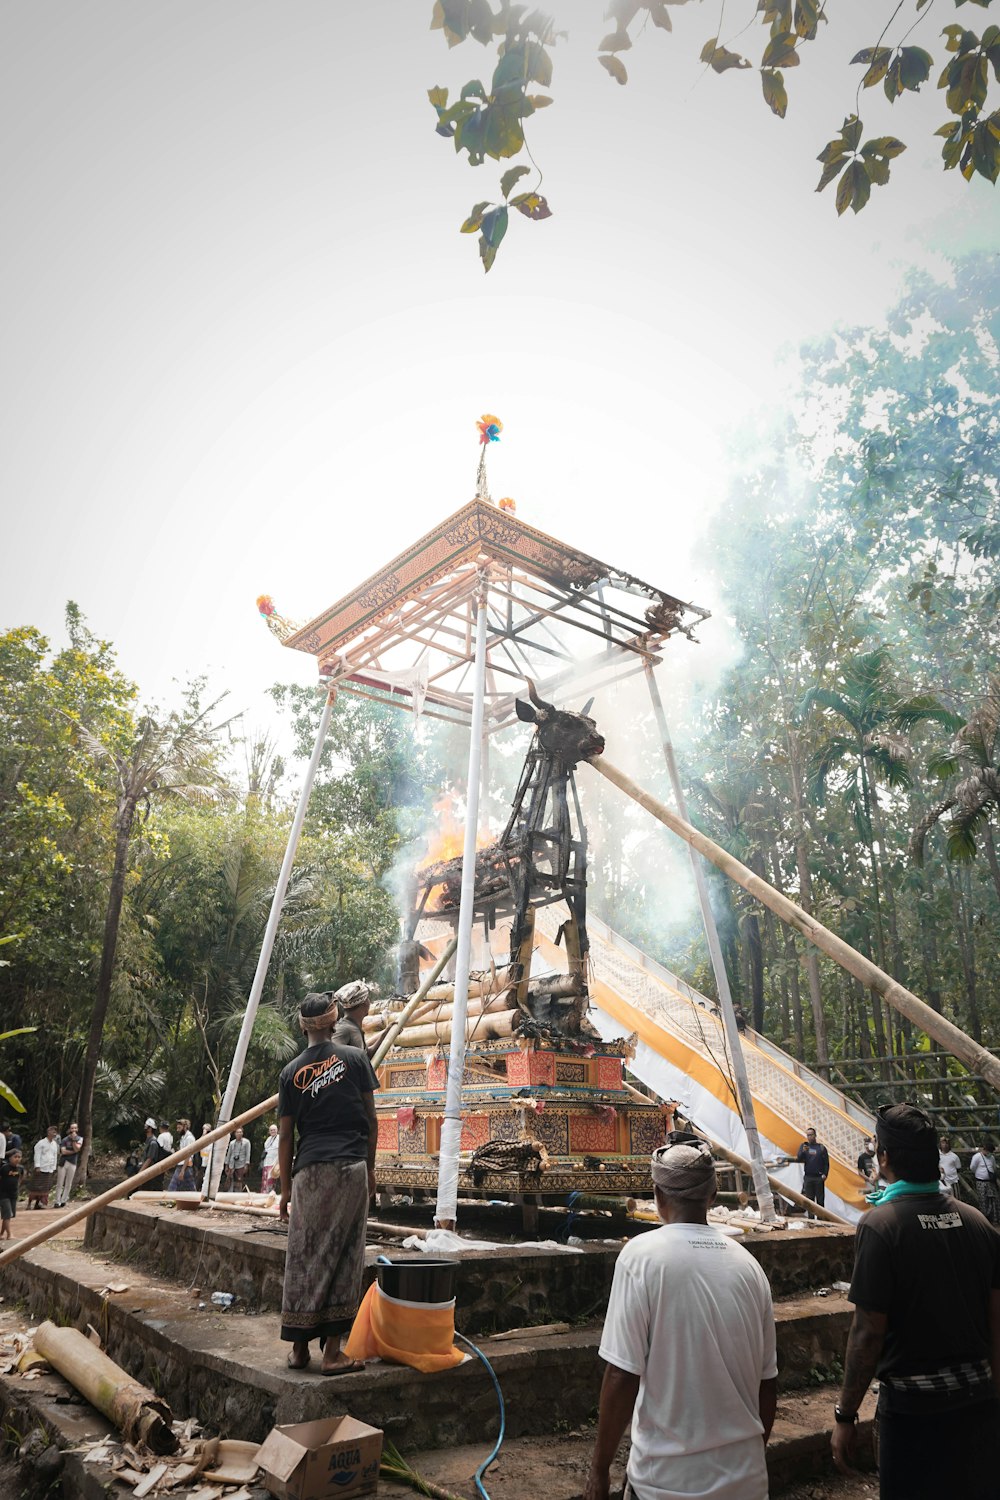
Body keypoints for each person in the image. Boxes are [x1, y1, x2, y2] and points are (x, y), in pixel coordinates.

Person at [585, 1135, 777, 1500]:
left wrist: (599, 1469)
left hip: (666, 1485)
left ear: (657, 1197)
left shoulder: (641, 1257)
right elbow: (767, 1385)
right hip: (747, 1482)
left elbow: (622, 1375)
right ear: (712, 1194)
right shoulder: (750, 1267)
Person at [831, 1103, 1000, 1499]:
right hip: (978, 1404)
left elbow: (868, 1333)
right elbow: (997, 1322)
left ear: (885, 1157)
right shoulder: (978, 1223)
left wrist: (846, 1414)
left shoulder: (881, 1226)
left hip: (913, 1412)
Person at [278, 990, 379, 1375]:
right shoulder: (355, 1059)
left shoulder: (290, 1073)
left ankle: (300, 1350)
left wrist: (286, 1191)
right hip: (350, 1166)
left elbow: (286, 1137)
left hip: (308, 1172)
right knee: (345, 1253)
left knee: (303, 1255)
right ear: (335, 1020)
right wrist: (370, 1170)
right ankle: (333, 1353)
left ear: (303, 1026)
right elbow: (371, 1121)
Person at [796, 1127, 830, 1214]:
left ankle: (821, 1220)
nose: (809, 1137)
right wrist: (803, 1151)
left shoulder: (821, 1148)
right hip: (808, 1177)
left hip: (819, 1178)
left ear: (815, 1135)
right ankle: (811, 1221)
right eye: (808, 1135)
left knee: (820, 1201)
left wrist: (825, 1174)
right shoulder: (804, 1146)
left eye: (811, 1135)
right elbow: (799, 1158)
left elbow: (826, 1163)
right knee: (809, 1201)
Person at [332, 980, 372, 1053]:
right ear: (365, 1003)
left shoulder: (354, 1027)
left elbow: (365, 1056)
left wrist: (385, 1033)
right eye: (368, 999)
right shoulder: (343, 1029)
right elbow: (332, 1054)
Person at [27, 1126, 60, 1208]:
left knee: (44, 1188)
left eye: (55, 1132)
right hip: (41, 1168)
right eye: (53, 1131)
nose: (54, 1133)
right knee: (35, 1187)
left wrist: (54, 1167)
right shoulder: (41, 1143)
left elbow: (55, 1156)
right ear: (48, 1132)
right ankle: (29, 1204)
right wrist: (37, 1166)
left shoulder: (54, 1144)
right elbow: (37, 1155)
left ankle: (38, 1204)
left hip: (49, 1168)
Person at [969, 1138, 1000, 1224]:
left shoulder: (992, 1157)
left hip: (990, 1182)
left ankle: (995, 1219)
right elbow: (972, 1168)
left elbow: (993, 1168)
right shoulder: (977, 1157)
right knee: (983, 1200)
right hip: (981, 1182)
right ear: (984, 1149)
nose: (989, 1153)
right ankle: (985, 1220)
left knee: (994, 1199)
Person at [54, 1121, 83, 1207]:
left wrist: (74, 1141)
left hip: (72, 1163)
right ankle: (57, 1201)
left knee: (68, 1182)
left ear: (77, 1129)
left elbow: (77, 1149)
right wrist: (73, 1151)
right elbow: (63, 1151)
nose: (73, 1130)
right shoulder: (64, 1139)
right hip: (63, 1162)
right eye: (72, 1128)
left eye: (75, 1128)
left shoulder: (79, 1139)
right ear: (69, 1129)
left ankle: (64, 1200)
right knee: (60, 1182)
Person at [168, 1118, 197, 1193]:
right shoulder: (183, 1138)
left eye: (179, 1128)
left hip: (185, 1166)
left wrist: (182, 1170)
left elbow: (188, 1155)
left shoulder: (189, 1138)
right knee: (191, 1188)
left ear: (185, 1127)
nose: (177, 1130)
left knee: (172, 1187)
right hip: (183, 1166)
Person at [0, 1148, 23, 1239]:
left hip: (13, 1194)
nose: (17, 1159)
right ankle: (9, 1234)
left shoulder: (20, 1168)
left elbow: (20, 1178)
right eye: (15, 1157)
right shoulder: (4, 1168)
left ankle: (1, 1234)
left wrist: (17, 1187)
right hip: (3, 1194)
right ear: (10, 1158)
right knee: (7, 1214)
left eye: (19, 1157)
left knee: (8, 1216)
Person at [260, 1123, 280, 1193]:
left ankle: (270, 1194)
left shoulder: (279, 1138)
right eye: (271, 1130)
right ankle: (264, 1194)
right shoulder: (268, 1139)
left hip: (274, 1163)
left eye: (274, 1130)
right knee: (265, 1180)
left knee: (271, 1180)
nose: (272, 1131)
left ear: (277, 1130)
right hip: (266, 1162)